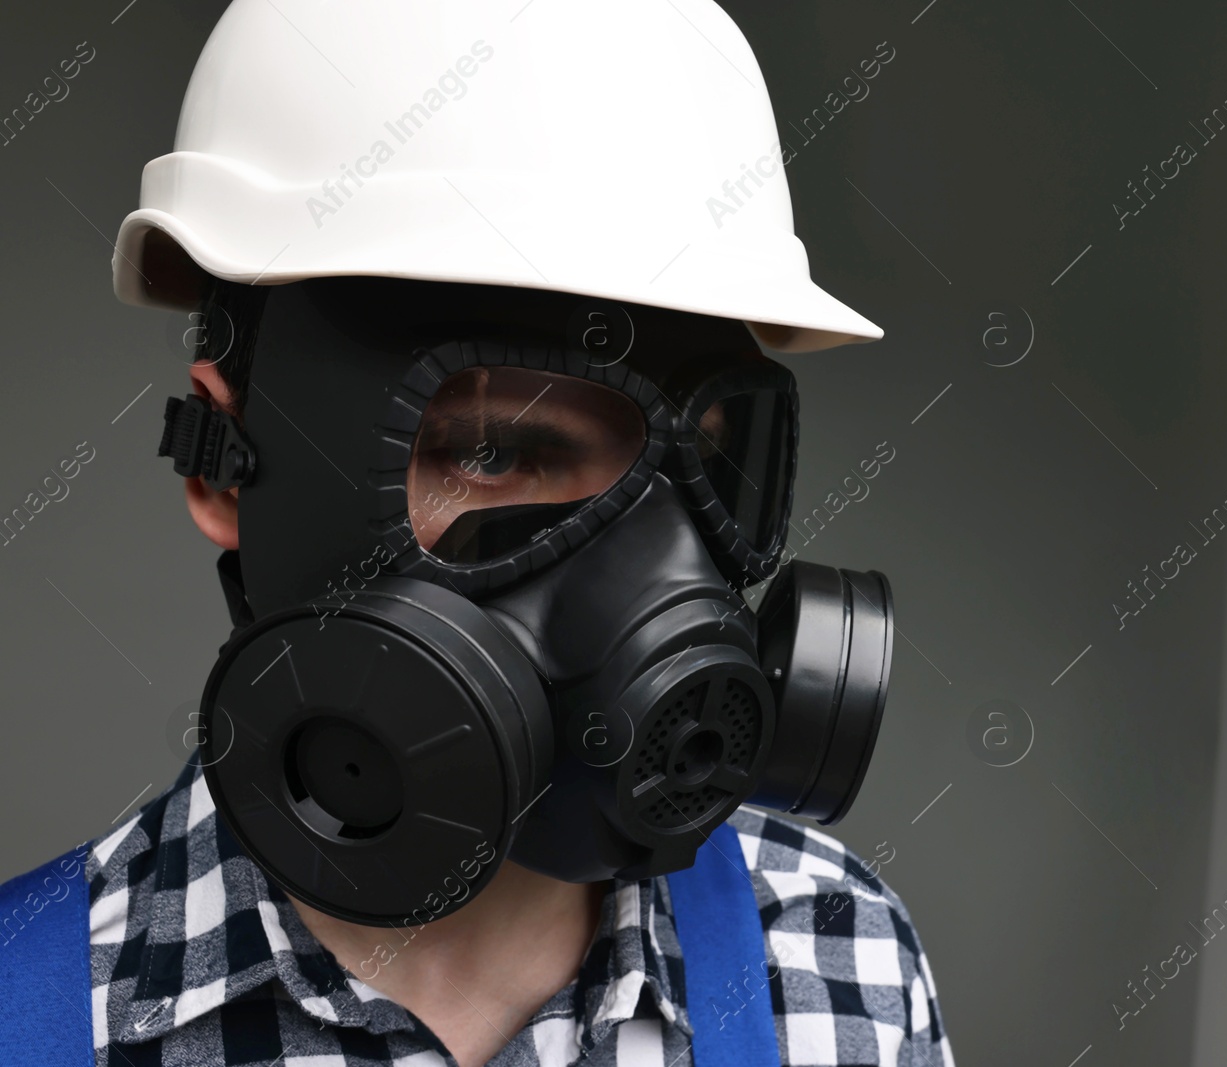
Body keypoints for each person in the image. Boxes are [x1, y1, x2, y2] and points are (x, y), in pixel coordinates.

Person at [0, 2, 953, 1066]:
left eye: (710, 463)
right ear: (225, 461)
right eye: (497, 454)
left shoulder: (833, 962)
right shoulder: (28, 1012)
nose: (653, 572)